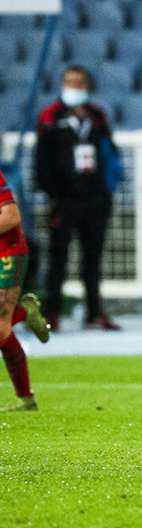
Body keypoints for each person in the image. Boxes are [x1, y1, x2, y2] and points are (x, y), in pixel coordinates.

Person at [35, 65, 121, 332]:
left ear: (87, 85)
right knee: (58, 257)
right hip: (64, 199)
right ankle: (52, 313)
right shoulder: (51, 117)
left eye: (79, 82)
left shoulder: (97, 117)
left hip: (95, 198)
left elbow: (110, 153)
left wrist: (107, 191)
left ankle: (94, 312)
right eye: (69, 82)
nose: (74, 87)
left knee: (93, 258)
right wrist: (51, 194)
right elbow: (41, 159)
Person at [0, 168, 52, 412]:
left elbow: (12, 217)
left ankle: (26, 399)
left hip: (7, 253)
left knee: (1, 329)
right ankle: (24, 311)